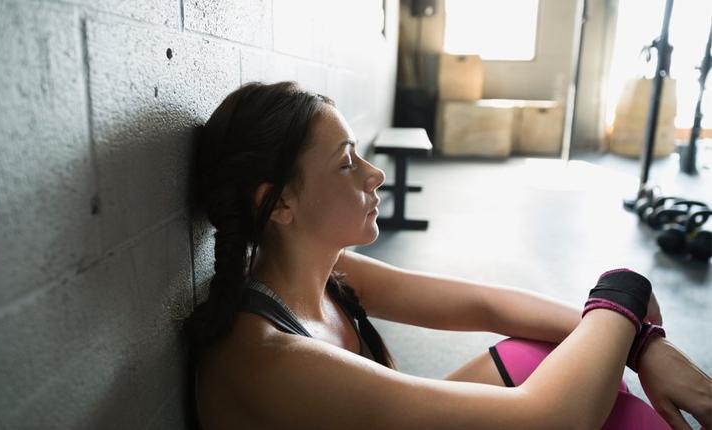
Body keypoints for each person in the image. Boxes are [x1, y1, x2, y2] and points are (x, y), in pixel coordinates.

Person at [186, 81, 711, 430]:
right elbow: (549, 418)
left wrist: (643, 346)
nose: (375, 174)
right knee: (582, 383)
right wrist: (625, 290)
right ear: (279, 202)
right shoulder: (265, 356)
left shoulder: (323, 274)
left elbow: (487, 304)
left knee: (560, 355)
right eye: (347, 164)